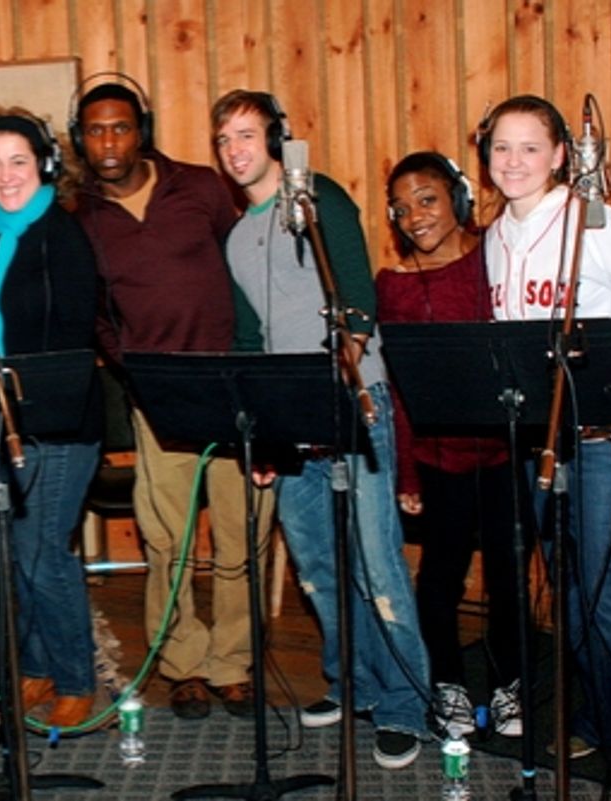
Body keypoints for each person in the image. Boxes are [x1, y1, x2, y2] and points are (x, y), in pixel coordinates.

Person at [211, 89, 430, 768]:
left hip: (351, 405)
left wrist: (335, 387)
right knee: (317, 567)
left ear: (275, 136)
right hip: (291, 421)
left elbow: (357, 304)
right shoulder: (237, 235)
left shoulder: (319, 198)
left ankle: (405, 705)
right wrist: (263, 431)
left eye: (247, 134)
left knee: (377, 563)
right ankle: (356, 685)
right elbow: (250, 339)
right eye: (223, 140)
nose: (235, 150)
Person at [72, 76, 270, 720]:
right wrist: (129, 367)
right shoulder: (82, 217)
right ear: (82, 138)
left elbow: (246, 266)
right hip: (158, 401)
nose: (109, 140)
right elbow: (95, 314)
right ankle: (183, 663)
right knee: (168, 541)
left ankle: (233, 664)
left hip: (233, 386)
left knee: (243, 537)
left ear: (142, 132)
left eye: (121, 126)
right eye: (96, 129)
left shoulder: (201, 187)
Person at [478, 95, 611, 758]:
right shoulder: (494, 238)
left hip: (609, 438)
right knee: (573, 595)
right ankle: (605, 723)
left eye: (529, 147)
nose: (513, 161)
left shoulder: (592, 224)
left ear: (558, 157)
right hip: (543, 440)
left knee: (609, 592)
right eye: (500, 147)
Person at [376, 151, 529, 738]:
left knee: (510, 574)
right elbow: (401, 388)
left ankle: (510, 684)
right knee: (440, 576)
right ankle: (449, 688)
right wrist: (408, 477)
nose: (415, 215)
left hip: (505, 448)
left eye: (428, 199)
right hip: (438, 458)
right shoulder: (394, 286)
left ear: (458, 198)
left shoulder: (497, 254)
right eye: (402, 207)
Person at [0, 108, 101, 728]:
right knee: (17, 556)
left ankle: (76, 677)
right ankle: (37, 667)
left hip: (59, 423)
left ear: (44, 164)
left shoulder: (62, 234)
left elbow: (72, 339)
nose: (5, 174)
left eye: (18, 160)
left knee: (44, 553)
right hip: (4, 422)